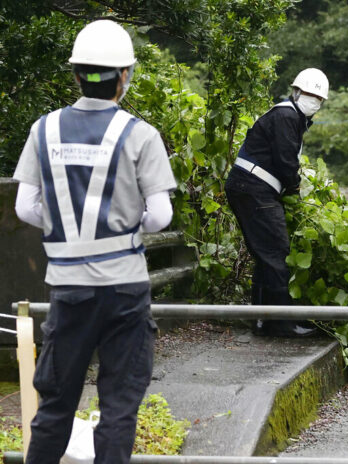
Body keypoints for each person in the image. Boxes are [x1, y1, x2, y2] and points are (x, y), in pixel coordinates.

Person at [13, 19, 177, 463]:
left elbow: (25, 207)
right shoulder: (140, 134)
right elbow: (161, 216)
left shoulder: (42, 130)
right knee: (119, 407)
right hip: (125, 290)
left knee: (55, 406)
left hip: (69, 290)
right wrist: (126, 223)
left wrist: (65, 227)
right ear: (124, 76)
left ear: (77, 73)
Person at [225, 68, 329, 337]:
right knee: (276, 251)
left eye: (318, 99)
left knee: (265, 255)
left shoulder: (291, 117)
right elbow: (286, 160)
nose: (312, 101)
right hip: (253, 187)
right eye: (308, 94)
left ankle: (262, 319)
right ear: (296, 92)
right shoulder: (285, 115)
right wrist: (295, 187)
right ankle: (280, 323)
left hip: (251, 188)